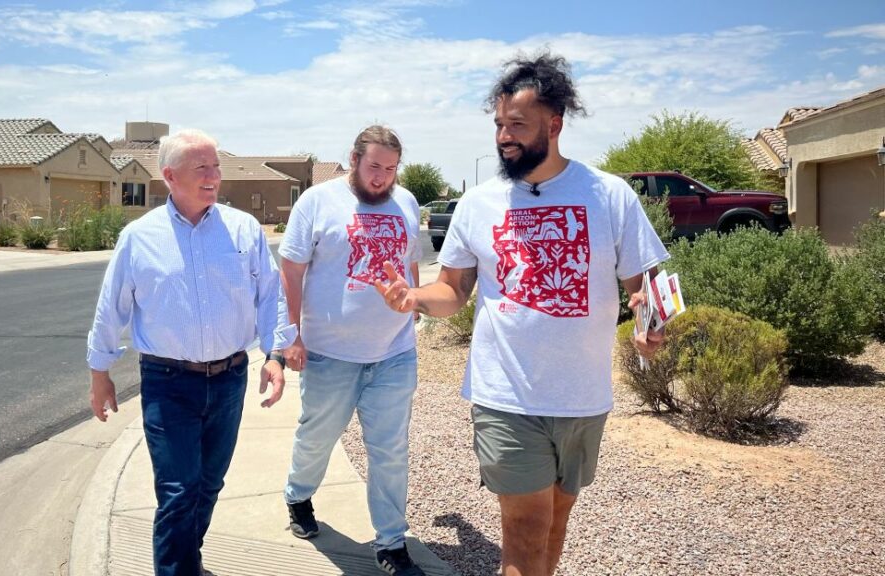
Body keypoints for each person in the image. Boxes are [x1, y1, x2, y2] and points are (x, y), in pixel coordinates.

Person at [375, 53, 669, 576]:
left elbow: (642, 286)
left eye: (517, 125)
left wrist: (650, 322)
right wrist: (415, 298)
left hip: (582, 396)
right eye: (498, 125)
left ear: (554, 125)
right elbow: (454, 290)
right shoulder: (479, 204)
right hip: (506, 394)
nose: (503, 137)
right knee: (526, 532)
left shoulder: (609, 195)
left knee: (555, 521)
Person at [86, 129, 285, 576]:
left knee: (208, 485)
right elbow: (111, 306)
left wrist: (275, 355)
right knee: (178, 490)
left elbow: (271, 296)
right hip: (167, 383)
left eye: (216, 167)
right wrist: (100, 371)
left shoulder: (243, 229)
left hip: (230, 379)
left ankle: (185, 561)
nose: (214, 176)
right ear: (169, 175)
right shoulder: (139, 238)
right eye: (202, 168)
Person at [272, 125, 427, 576]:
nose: (382, 178)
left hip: (395, 352)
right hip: (329, 353)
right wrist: (292, 338)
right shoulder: (317, 202)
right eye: (375, 166)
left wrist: (414, 302)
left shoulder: (407, 202)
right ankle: (298, 494)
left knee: (390, 450)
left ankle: (392, 544)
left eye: (391, 169)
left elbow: (410, 260)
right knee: (316, 438)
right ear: (355, 159)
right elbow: (291, 272)